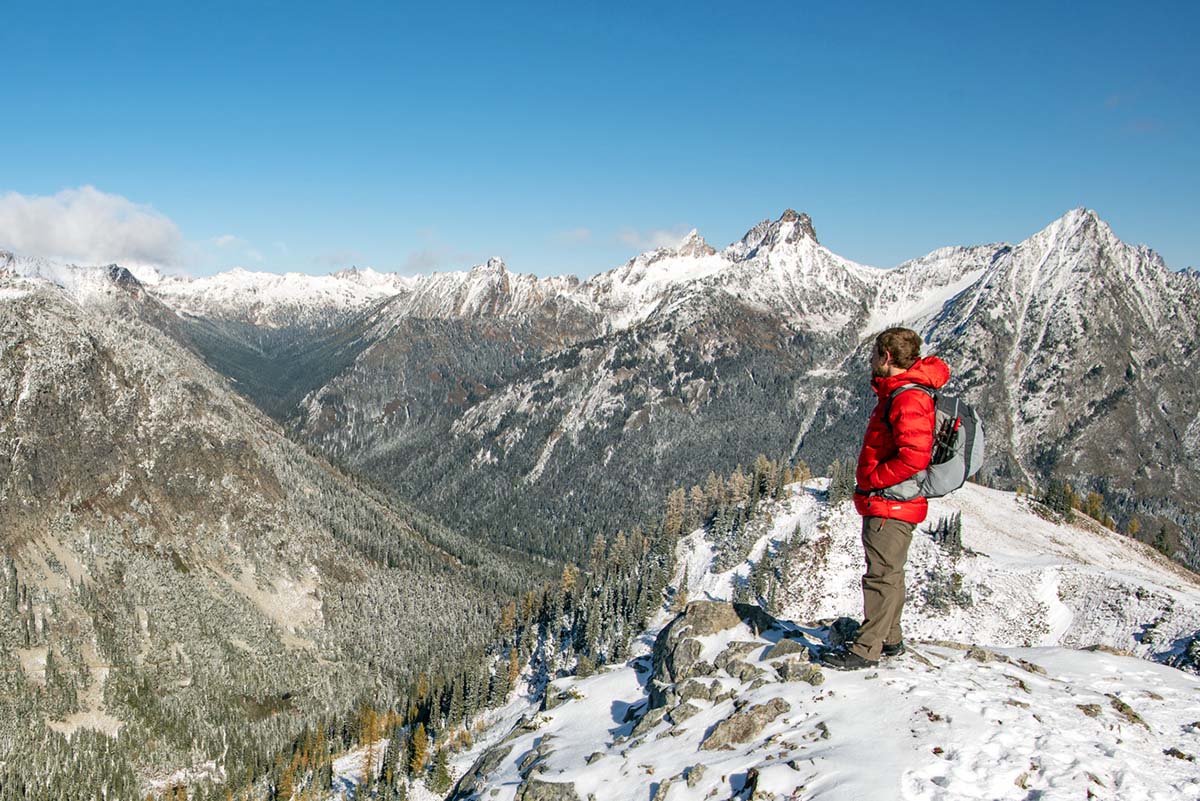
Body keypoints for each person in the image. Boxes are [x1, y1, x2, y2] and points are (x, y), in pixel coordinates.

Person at [822, 327, 949, 670]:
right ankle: (889, 639)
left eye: (874, 355)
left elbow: (914, 456)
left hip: (890, 500)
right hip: (893, 500)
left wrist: (874, 481)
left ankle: (866, 650)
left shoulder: (907, 397)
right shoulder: (903, 392)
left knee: (880, 577)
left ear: (886, 357)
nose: (870, 361)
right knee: (889, 573)